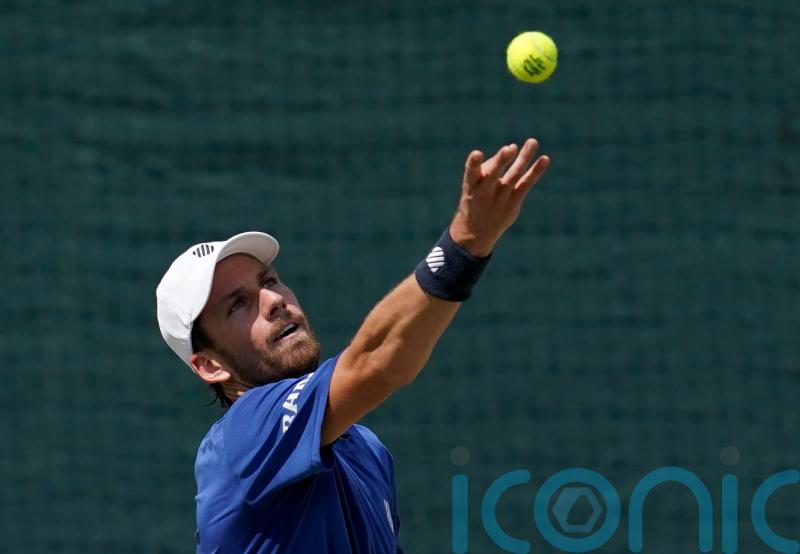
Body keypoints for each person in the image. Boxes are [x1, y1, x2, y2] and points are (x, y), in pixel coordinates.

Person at [155, 139, 550, 553]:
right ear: (209, 366)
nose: (273, 301)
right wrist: (464, 245)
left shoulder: (364, 448)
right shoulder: (243, 437)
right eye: (238, 305)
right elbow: (375, 363)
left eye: (269, 282)